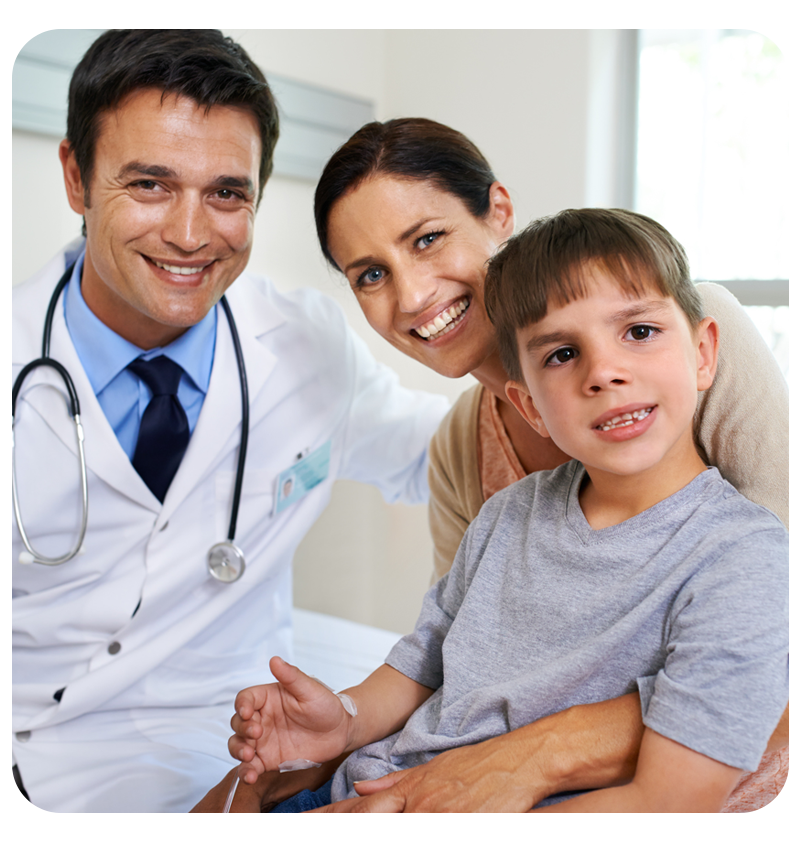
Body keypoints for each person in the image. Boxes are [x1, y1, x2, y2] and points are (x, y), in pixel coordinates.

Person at [247, 116, 787, 814]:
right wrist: (344, 726)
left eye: (428, 238)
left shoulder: (688, 345)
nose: (412, 296)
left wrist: (521, 762)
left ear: (497, 211)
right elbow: (450, 662)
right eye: (372, 274)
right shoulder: (474, 469)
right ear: (527, 405)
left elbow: (765, 666)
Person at [10, 31, 448, 814]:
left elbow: (441, 456)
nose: (189, 234)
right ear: (77, 177)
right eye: (150, 184)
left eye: (226, 194)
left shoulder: (306, 344)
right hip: (33, 751)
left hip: (239, 749)